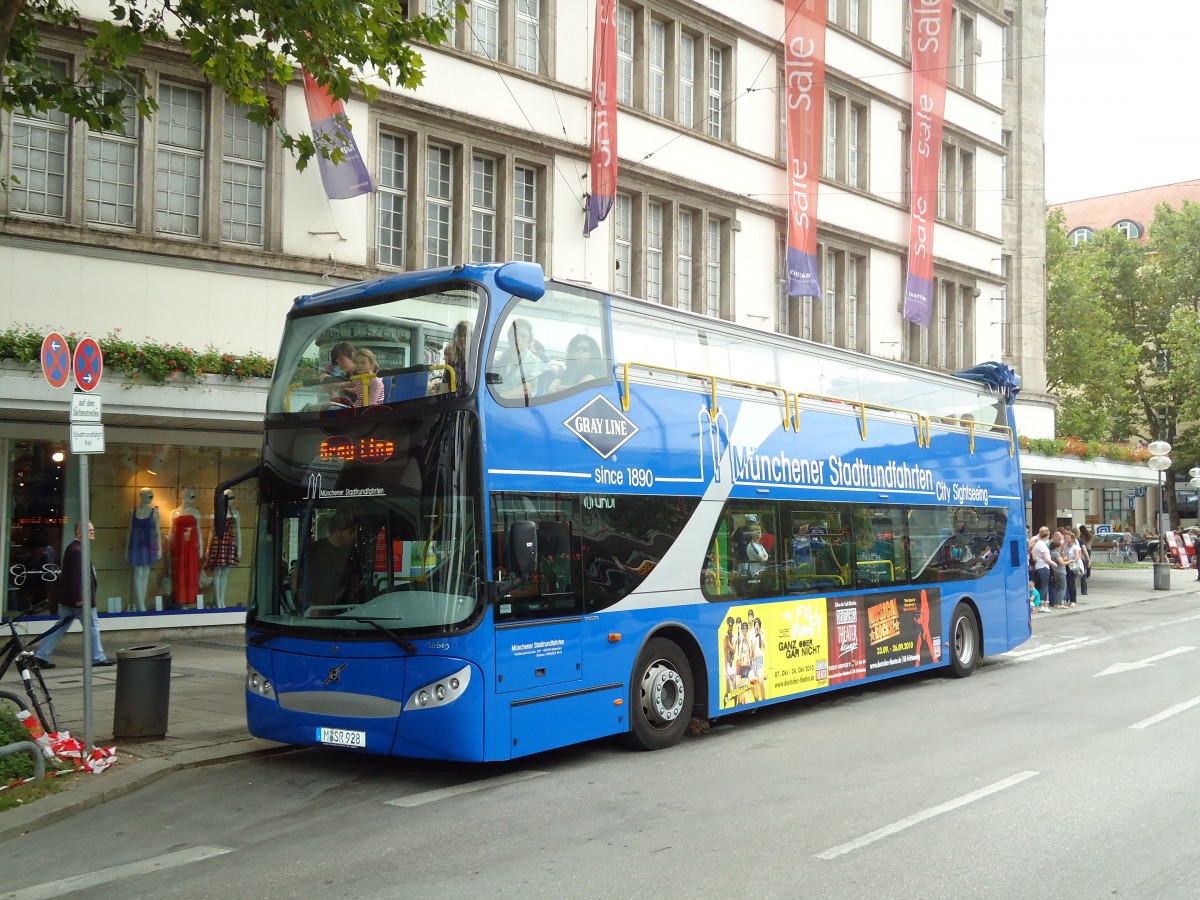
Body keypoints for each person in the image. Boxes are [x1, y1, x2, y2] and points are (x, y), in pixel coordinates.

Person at [34, 522, 114, 668]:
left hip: (69, 599)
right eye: (90, 530)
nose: (93, 532)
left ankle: (41, 655)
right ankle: (97, 657)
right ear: (79, 532)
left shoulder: (75, 548)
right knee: (93, 627)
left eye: (93, 529)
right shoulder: (77, 550)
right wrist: (79, 598)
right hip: (79, 600)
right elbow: (76, 577)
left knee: (60, 627)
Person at [305, 508, 363, 610]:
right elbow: (300, 578)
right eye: (351, 531)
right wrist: (308, 605)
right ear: (337, 530)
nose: (354, 535)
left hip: (346, 609)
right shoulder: (316, 549)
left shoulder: (351, 551)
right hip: (316, 609)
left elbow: (356, 580)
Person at [493, 317, 549, 401]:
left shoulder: (534, 363)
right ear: (509, 337)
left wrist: (499, 398)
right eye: (515, 334)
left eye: (523, 336)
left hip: (516, 405)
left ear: (529, 339)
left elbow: (526, 389)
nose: (518, 338)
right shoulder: (500, 358)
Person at [125, 487, 162, 612]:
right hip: (136, 545)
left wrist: (159, 548)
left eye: (153, 496)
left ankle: (141, 603)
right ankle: (140, 604)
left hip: (149, 545)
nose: (152, 498)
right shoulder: (133, 512)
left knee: (145, 573)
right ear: (142, 496)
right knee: (138, 573)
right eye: (150, 496)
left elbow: (157, 531)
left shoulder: (155, 512)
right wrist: (126, 549)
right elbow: (129, 531)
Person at [204, 491, 241, 608]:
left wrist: (239, 548)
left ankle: (221, 599)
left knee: (225, 572)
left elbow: (238, 531)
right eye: (228, 497)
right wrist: (208, 548)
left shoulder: (235, 513)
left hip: (230, 542)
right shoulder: (216, 512)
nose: (230, 499)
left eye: (232, 497)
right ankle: (217, 600)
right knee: (217, 571)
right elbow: (211, 530)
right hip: (219, 541)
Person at [169, 489, 204, 608]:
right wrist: (168, 546)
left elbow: (198, 531)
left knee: (191, 572)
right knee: (180, 572)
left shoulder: (196, 512)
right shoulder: (174, 512)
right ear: (184, 497)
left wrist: (201, 548)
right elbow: (171, 531)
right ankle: (180, 599)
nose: (194, 499)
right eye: (192, 497)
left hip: (191, 547)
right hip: (179, 548)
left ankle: (189, 598)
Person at [541, 334, 607, 395]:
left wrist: (558, 387)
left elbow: (580, 388)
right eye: (577, 349)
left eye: (584, 349)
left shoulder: (596, 371)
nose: (580, 352)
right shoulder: (569, 370)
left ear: (592, 352)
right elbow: (551, 388)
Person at [440, 321, 471, 395]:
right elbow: (443, 389)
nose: (462, 338)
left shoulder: (475, 363)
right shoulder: (451, 365)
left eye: (465, 335)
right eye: (458, 335)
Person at [1031, 526, 1054, 611]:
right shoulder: (1042, 544)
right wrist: (1053, 563)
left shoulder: (1036, 542)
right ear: (1047, 535)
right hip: (1044, 567)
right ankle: (1042, 605)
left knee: (1039, 585)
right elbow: (1046, 558)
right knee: (1044, 586)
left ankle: (1039, 604)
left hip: (1037, 566)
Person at [1077, 525, 1092, 595]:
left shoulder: (1081, 538)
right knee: (1086, 564)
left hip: (1082, 551)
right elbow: (1090, 543)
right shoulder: (1089, 535)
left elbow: (1083, 546)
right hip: (1088, 549)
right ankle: (1088, 570)